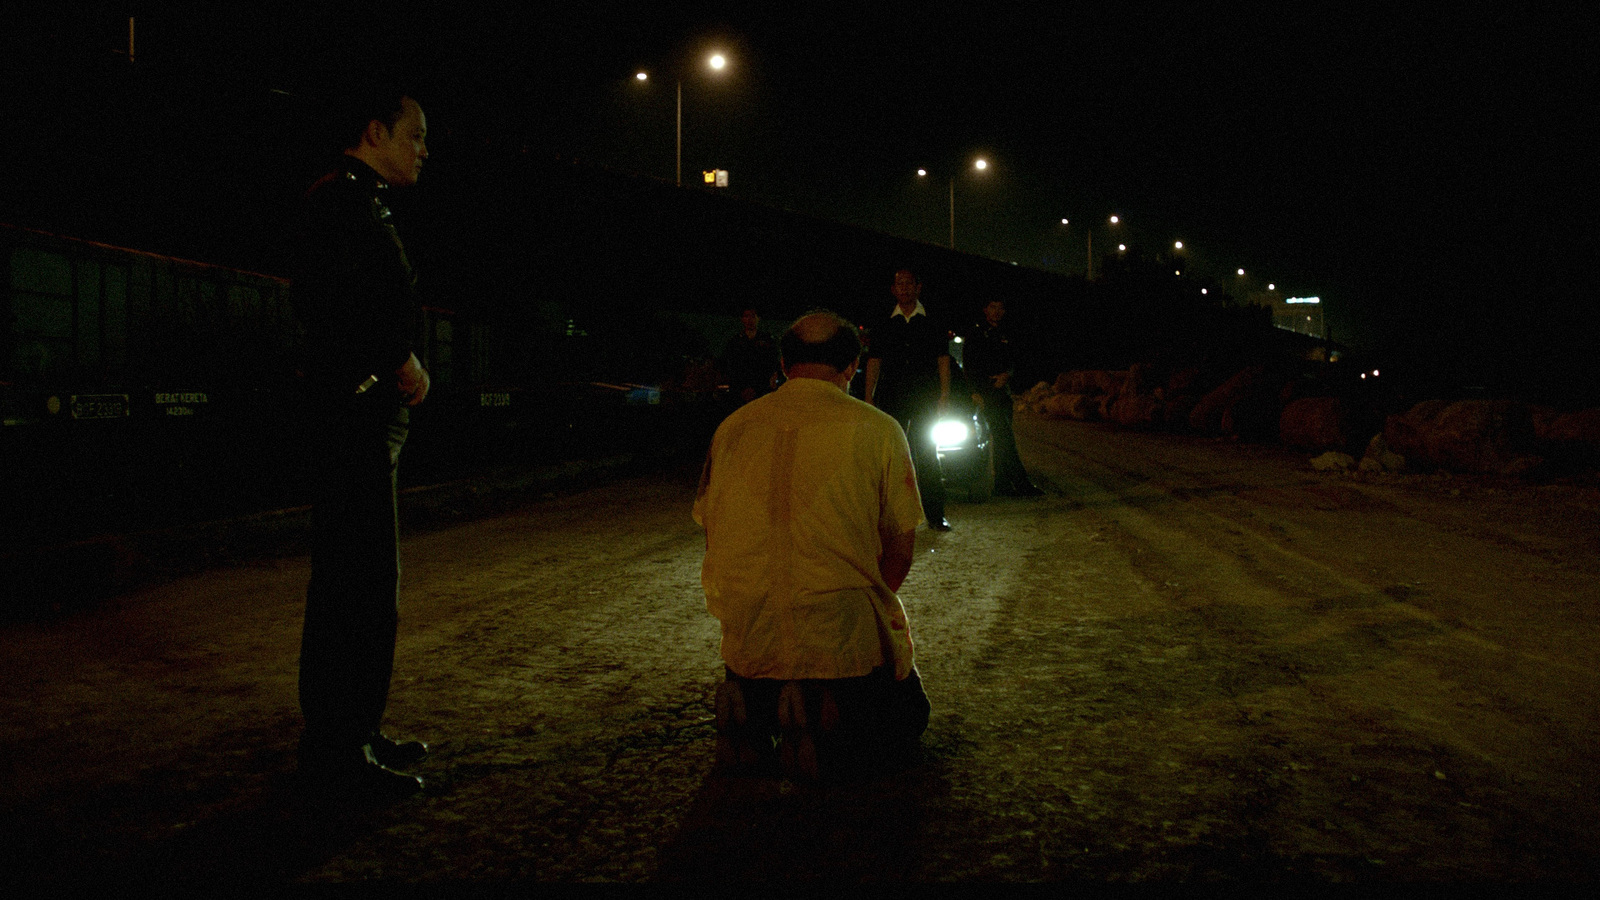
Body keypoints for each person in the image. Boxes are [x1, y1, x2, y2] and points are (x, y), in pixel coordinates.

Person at [694, 311, 932, 780]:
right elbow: (899, 552)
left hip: (749, 630)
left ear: (783, 364)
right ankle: (824, 713)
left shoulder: (733, 429)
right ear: (851, 367)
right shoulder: (880, 430)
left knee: (760, 658)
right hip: (839, 633)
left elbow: (711, 532)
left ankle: (752, 703)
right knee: (907, 718)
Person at [289, 88, 433, 797]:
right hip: (353, 417)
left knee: (366, 585)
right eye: (416, 135)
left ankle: (356, 732)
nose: (423, 150)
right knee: (358, 585)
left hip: (361, 412)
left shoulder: (356, 200)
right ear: (374, 131)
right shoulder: (341, 202)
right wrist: (396, 360)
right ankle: (338, 753)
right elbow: (339, 305)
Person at [864, 269, 952, 531]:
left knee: (927, 454)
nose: (904, 288)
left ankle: (935, 515)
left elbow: (943, 360)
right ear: (893, 289)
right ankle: (889, 518)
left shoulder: (932, 321)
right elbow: (874, 361)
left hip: (924, 397)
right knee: (891, 456)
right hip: (892, 397)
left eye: (908, 283)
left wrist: (944, 395)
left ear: (918, 287)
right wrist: (868, 397)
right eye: (899, 284)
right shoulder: (884, 322)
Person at [963, 299, 1043, 496]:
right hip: (986, 391)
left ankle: (1002, 484)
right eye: (992, 307)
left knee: (1001, 439)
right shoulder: (976, 333)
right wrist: (975, 391)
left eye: (1000, 308)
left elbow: (1017, 361)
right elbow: (969, 365)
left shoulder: (1008, 333)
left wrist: (1008, 375)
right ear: (985, 310)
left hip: (1003, 392)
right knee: (1005, 438)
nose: (996, 312)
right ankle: (1022, 484)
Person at [719, 306, 780, 405]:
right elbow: (730, 365)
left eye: (753, 316)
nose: (749, 320)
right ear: (742, 319)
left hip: (762, 389)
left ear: (758, 318)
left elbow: (771, 365)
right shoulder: (735, 341)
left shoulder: (767, 341)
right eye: (746, 316)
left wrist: (758, 387)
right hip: (739, 390)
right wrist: (741, 388)